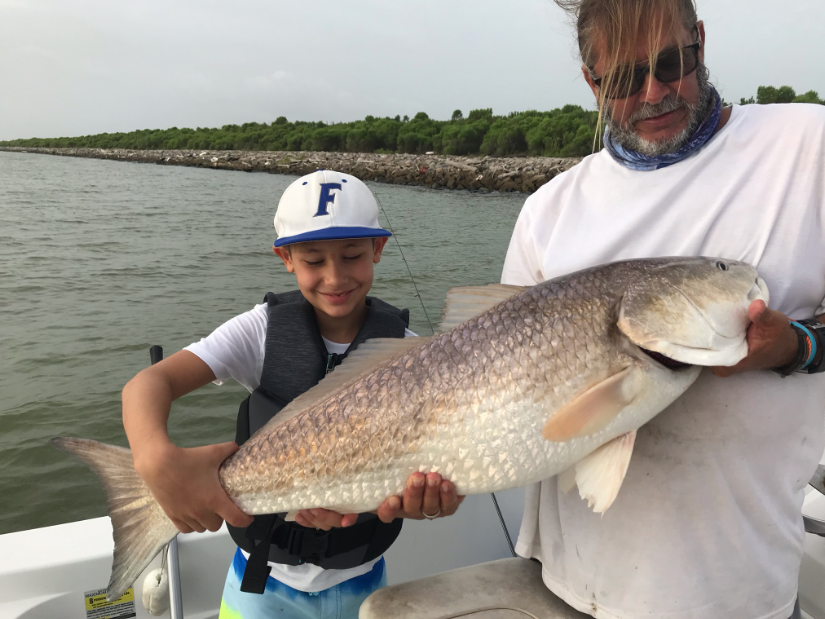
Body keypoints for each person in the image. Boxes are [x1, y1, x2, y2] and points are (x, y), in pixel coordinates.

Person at [501, 1, 825, 618]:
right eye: (624, 79)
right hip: (569, 586)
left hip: (740, 590)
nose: (655, 92)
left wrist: (801, 347)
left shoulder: (808, 147)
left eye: (672, 62)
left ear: (700, 40)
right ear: (593, 81)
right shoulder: (547, 212)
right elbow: (502, 397)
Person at [121, 169, 463, 619]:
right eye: (313, 260)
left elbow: (444, 456)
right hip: (260, 583)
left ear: (378, 249)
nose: (335, 277)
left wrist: (438, 501)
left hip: (365, 581)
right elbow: (149, 384)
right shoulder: (260, 330)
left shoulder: (412, 352)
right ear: (286, 258)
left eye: (352, 255)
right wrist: (153, 458)